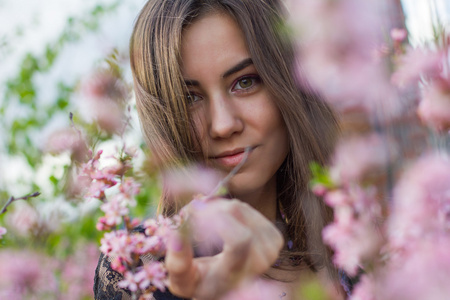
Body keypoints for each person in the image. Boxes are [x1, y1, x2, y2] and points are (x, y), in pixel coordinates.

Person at [94, 0, 343, 299]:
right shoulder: (139, 268)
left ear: (291, 82)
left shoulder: (356, 256)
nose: (223, 125)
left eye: (245, 82)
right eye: (189, 98)